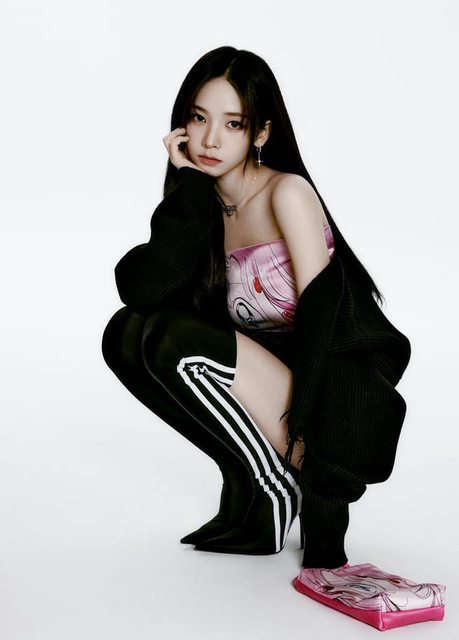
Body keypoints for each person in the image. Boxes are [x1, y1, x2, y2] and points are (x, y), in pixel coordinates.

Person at [101, 46, 445, 629]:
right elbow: (141, 289)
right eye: (198, 118)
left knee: (170, 339)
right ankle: (252, 485)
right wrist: (187, 189)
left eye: (233, 124)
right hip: (270, 388)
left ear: (260, 133)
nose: (211, 139)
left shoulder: (287, 194)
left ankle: (278, 487)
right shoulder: (207, 202)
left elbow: (329, 330)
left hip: (328, 403)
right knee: (126, 333)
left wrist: (324, 502)